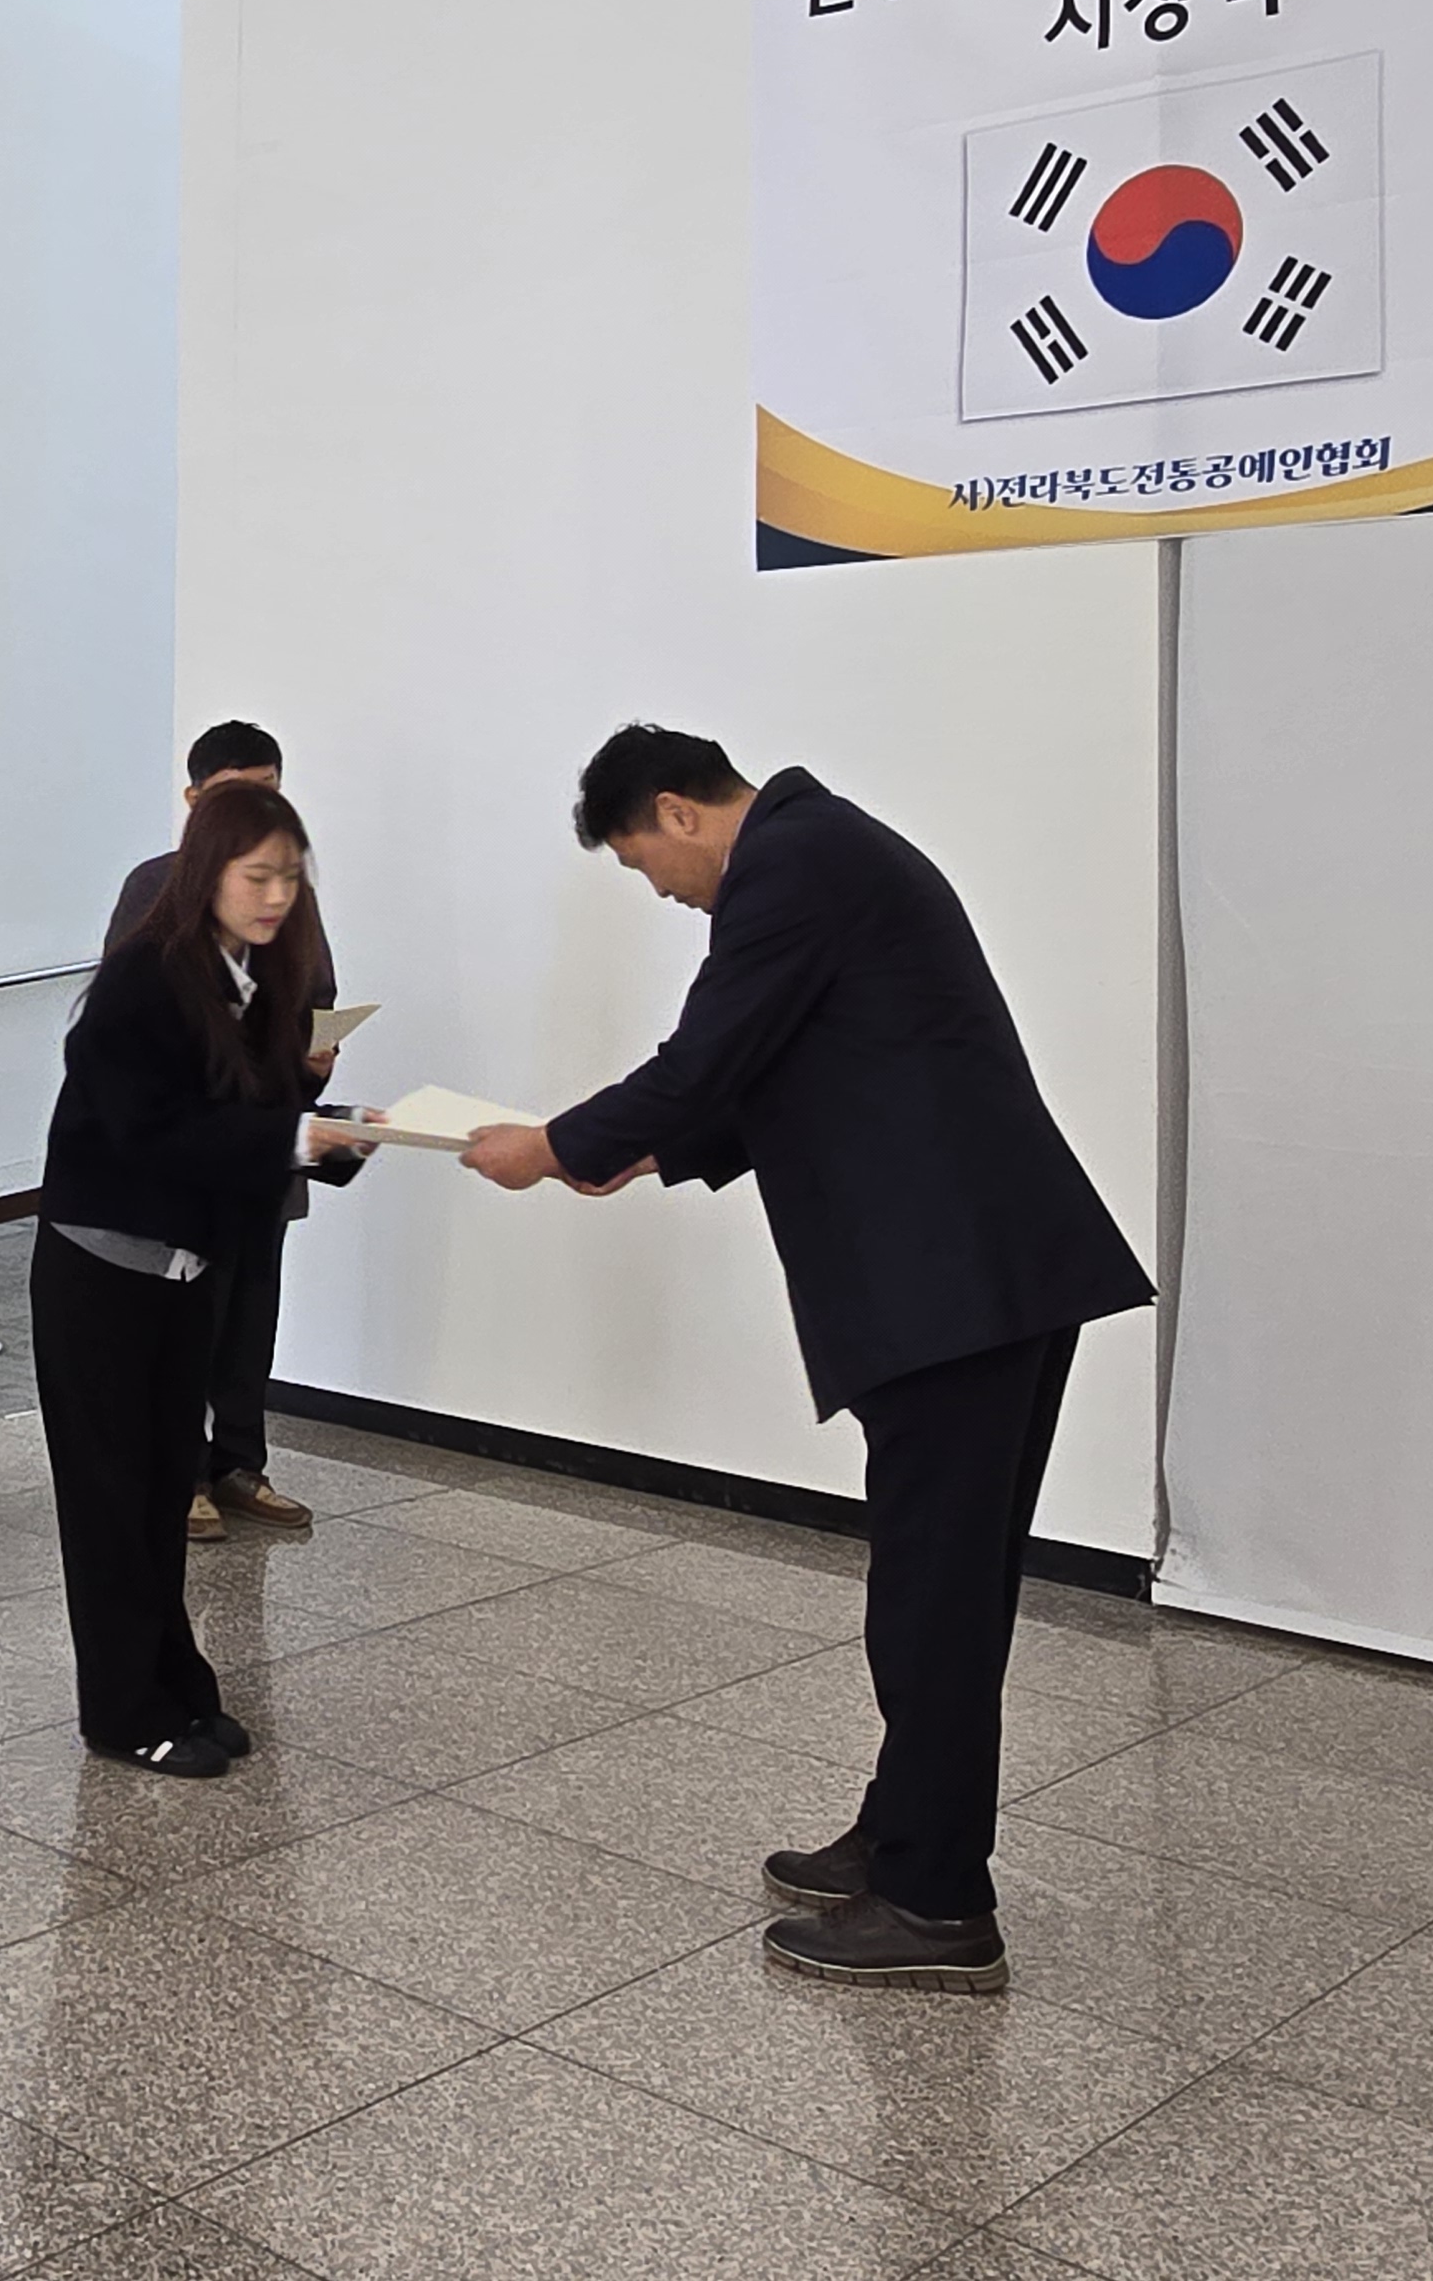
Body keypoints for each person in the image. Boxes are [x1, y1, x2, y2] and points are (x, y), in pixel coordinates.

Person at [464, 728, 1155, 1994]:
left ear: (676, 811)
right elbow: (790, 1060)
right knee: (938, 1584)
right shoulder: (823, 848)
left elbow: (709, 1056)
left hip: (955, 1285)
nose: (664, 895)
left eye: (644, 866)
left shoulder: (791, 864)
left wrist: (554, 1144)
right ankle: (901, 1833)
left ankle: (937, 1904)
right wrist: (648, 1153)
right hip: (977, 1276)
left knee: (934, 1596)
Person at [35, 784, 372, 1776]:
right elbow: (152, 1129)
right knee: (110, 1501)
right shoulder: (146, 975)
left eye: (289, 877)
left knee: (159, 1489)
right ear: (206, 874)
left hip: (185, 1268)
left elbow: (245, 1106)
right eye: (256, 876)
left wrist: (332, 1124)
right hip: (103, 1267)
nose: (276, 896)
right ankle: (120, 1712)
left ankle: (176, 1683)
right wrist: (297, 1136)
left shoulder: (255, 975)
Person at [107, 721, 336, 1543]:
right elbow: (128, 1024)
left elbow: (315, 992)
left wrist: (313, 1058)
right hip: (190, 1154)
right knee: (188, 1318)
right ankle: (184, 1476)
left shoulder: (290, 889)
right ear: (194, 799)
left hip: (266, 1142)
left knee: (251, 1311)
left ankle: (240, 1462)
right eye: (235, 795)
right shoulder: (154, 887)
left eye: (269, 793)